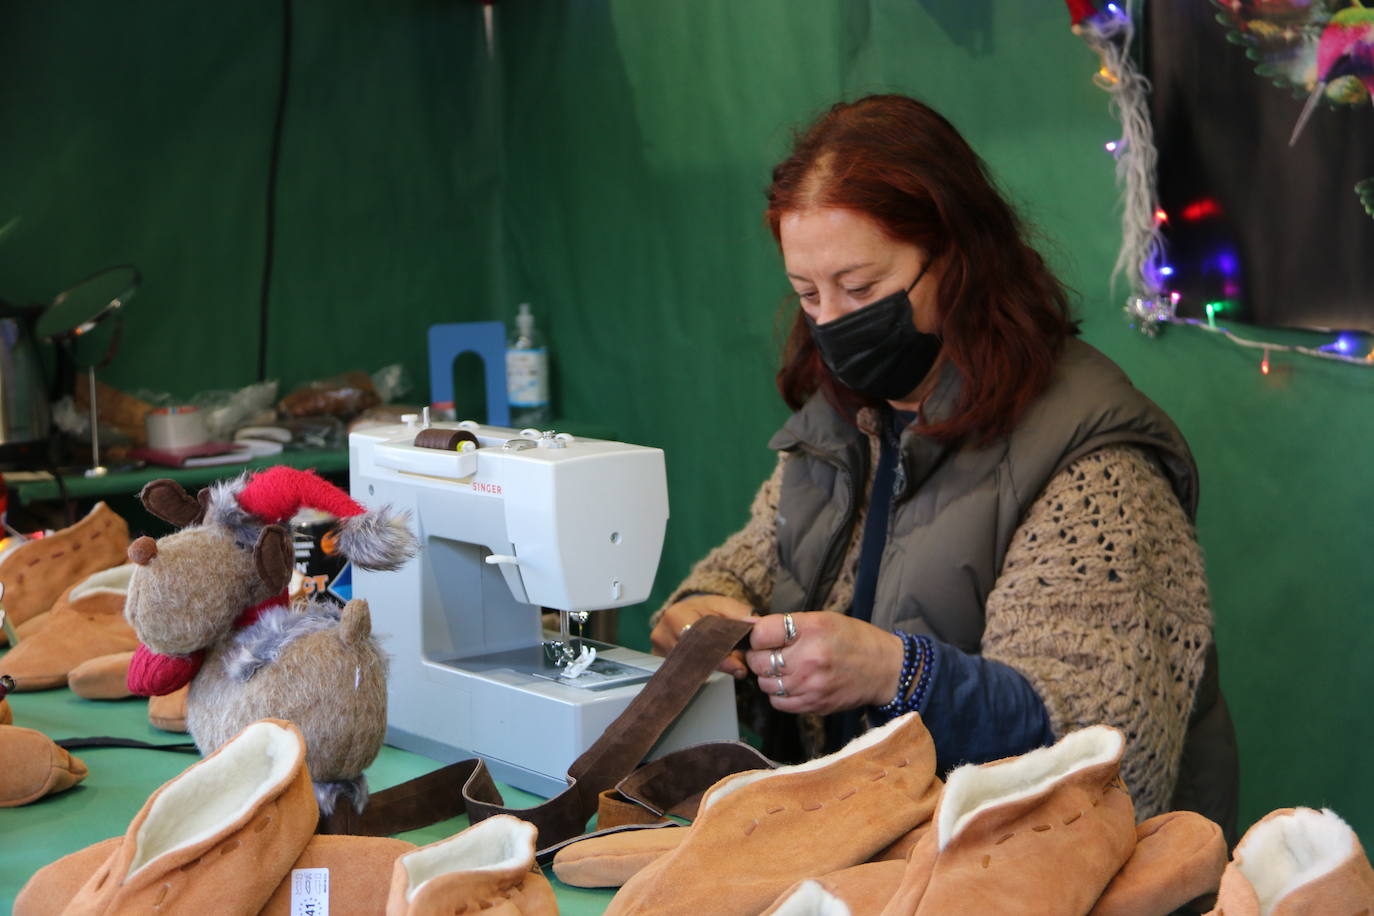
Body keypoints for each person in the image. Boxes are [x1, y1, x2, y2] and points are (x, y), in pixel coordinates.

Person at [650, 94, 1238, 836]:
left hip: (1038, 876)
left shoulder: (1095, 461)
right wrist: (707, 615)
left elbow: (1098, 737)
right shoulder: (849, 421)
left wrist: (895, 673)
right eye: (808, 295)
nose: (832, 321)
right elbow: (751, 566)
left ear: (958, 258)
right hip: (871, 850)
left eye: (860, 288)